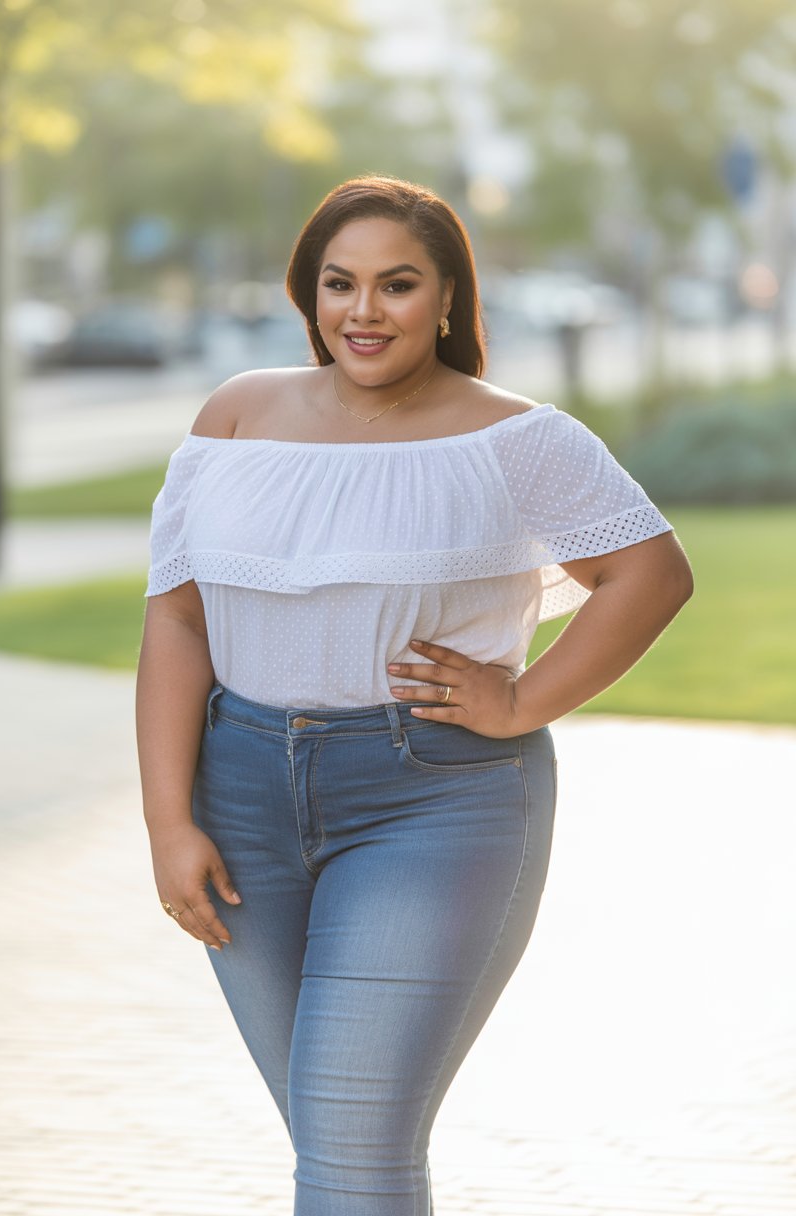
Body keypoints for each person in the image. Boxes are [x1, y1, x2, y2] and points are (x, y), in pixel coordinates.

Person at [136, 174, 693, 1216]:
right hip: (241, 797)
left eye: (396, 285)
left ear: (446, 298)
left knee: (351, 1140)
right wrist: (169, 819)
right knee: (339, 1137)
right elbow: (176, 619)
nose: (362, 311)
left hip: (435, 800)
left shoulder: (519, 440)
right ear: (307, 295)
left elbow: (651, 575)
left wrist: (521, 701)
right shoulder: (235, 419)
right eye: (338, 284)